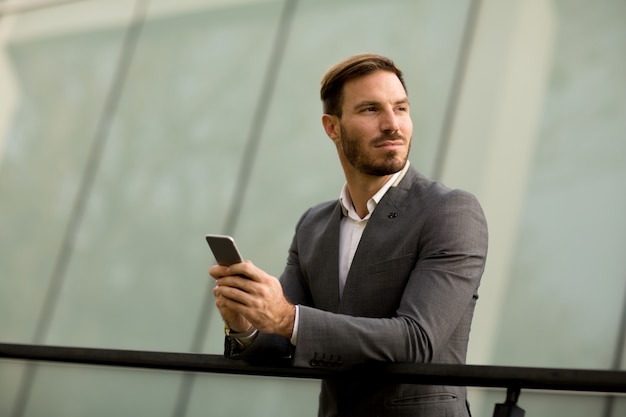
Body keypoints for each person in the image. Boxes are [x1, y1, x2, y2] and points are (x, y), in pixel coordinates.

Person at [210, 53, 488, 417]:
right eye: (371, 110)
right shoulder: (313, 226)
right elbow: (281, 339)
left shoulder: (450, 212)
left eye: (401, 108)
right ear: (332, 127)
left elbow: (417, 341)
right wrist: (244, 321)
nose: (392, 124)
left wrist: (285, 318)